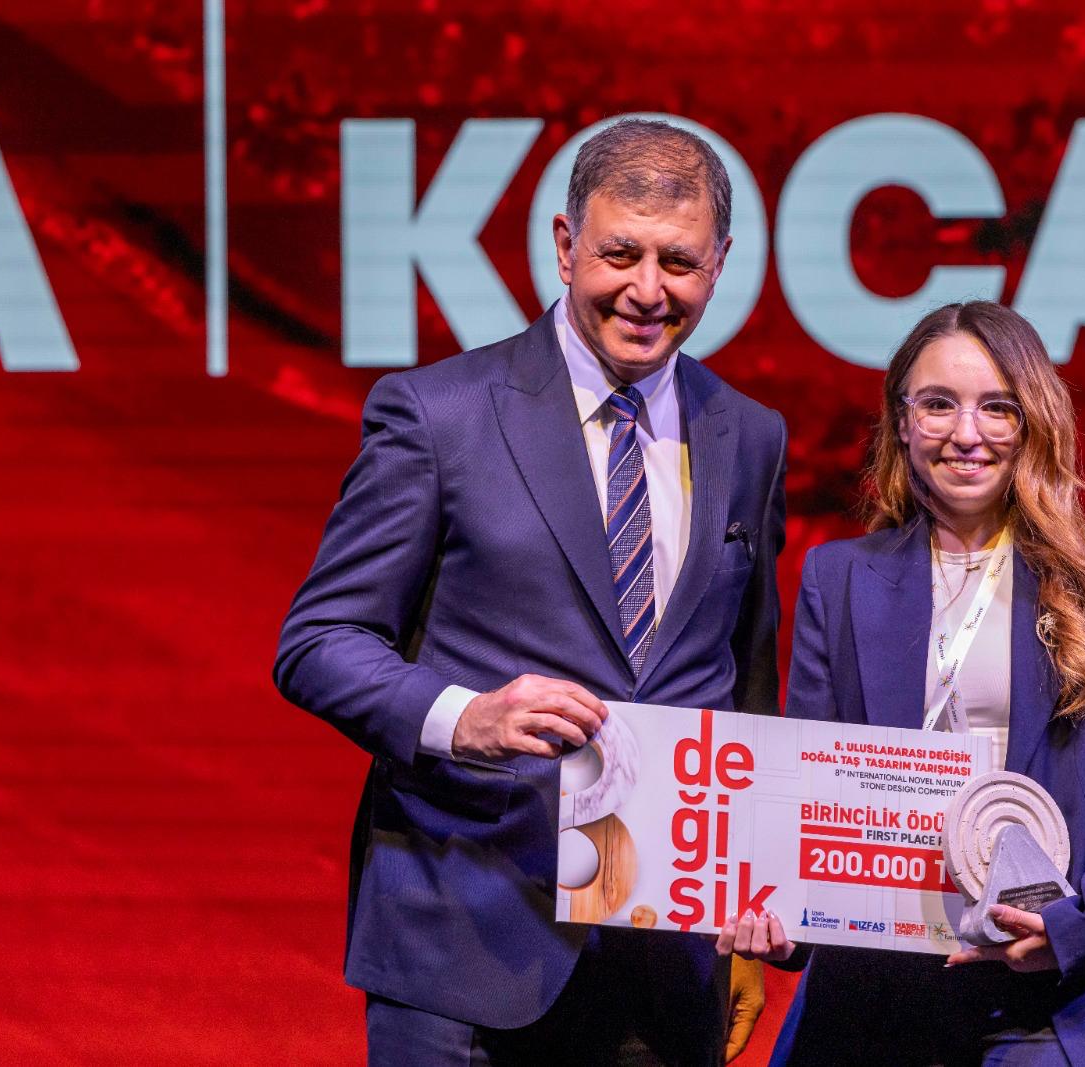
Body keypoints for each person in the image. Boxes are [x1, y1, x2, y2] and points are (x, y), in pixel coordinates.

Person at [274, 118, 787, 1066]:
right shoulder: (439, 413)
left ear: (720, 263)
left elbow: (746, 689)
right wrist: (463, 717)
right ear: (563, 244)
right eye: (619, 253)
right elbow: (319, 642)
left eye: (679, 262)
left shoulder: (748, 434)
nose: (647, 290)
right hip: (464, 945)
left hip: (665, 971)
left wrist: (752, 905)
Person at [718, 301, 1085, 1066]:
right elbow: (810, 798)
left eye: (997, 407)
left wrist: (1076, 927)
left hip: (1058, 1000)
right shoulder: (839, 578)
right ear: (902, 421)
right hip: (887, 1000)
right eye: (938, 404)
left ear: (1033, 421)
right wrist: (784, 916)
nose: (966, 432)